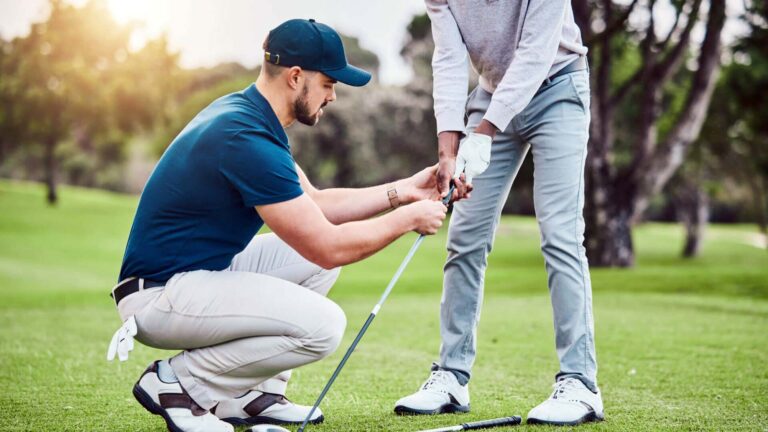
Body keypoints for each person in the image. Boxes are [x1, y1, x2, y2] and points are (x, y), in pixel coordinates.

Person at [106, 19, 452, 432]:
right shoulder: (246, 139)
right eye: (327, 83)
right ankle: (179, 384)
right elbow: (329, 244)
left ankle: (250, 396)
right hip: (160, 296)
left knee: (316, 265)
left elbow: (316, 205)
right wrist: (408, 219)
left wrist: (407, 189)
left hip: (191, 279)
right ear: (295, 78)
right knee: (324, 325)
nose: (333, 95)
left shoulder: (249, 117)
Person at [394, 0, 603, 426]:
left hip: (557, 86)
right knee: (464, 239)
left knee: (561, 234)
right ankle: (452, 376)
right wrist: (448, 151)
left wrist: (485, 133)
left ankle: (581, 384)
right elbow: (450, 60)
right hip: (490, 96)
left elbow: (536, 52)